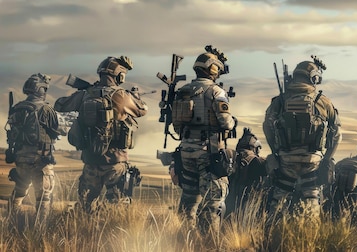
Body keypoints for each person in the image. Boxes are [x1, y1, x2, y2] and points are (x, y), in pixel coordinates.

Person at [54, 56, 147, 213]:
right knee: (117, 208)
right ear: (120, 75)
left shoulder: (85, 94)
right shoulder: (122, 95)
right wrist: (135, 97)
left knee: (86, 207)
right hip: (115, 163)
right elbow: (142, 110)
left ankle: (85, 233)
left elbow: (59, 105)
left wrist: (84, 93)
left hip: (91, 161)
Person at [263, 56, 341, 219]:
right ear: (314, 78)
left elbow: (267, 127)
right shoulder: (323, 102)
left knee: (278, 204)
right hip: (313, 161)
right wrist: (327, 159)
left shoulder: (280, 101)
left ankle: (274, 235)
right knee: (311, 204)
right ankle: (308, 237)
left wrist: (275, 152)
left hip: (286, 160)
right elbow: (337, 134)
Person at [169, 46, 236, 234]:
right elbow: (226, 123)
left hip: (186, 151)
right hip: (209, 153)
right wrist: (233, 121)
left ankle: (185, 240)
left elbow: (176, 126)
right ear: (213, 69)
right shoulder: (216, 92)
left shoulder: (184, 91)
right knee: (213, 203)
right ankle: (208, 243)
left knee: (189, 199)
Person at [5, 73, 63, 224]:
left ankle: (10, 221)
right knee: (44, 196)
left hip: (21, 159)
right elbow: (59, 130)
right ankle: (40, 231)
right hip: (41, 159)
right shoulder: (45, 109)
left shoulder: (17, 108)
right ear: (41, 90)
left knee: (19, 191)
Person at [224, 127, 267, 217]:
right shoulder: (258, 161)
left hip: (228, 203)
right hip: (249, 207)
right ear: (255, 148)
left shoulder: (230, 158)